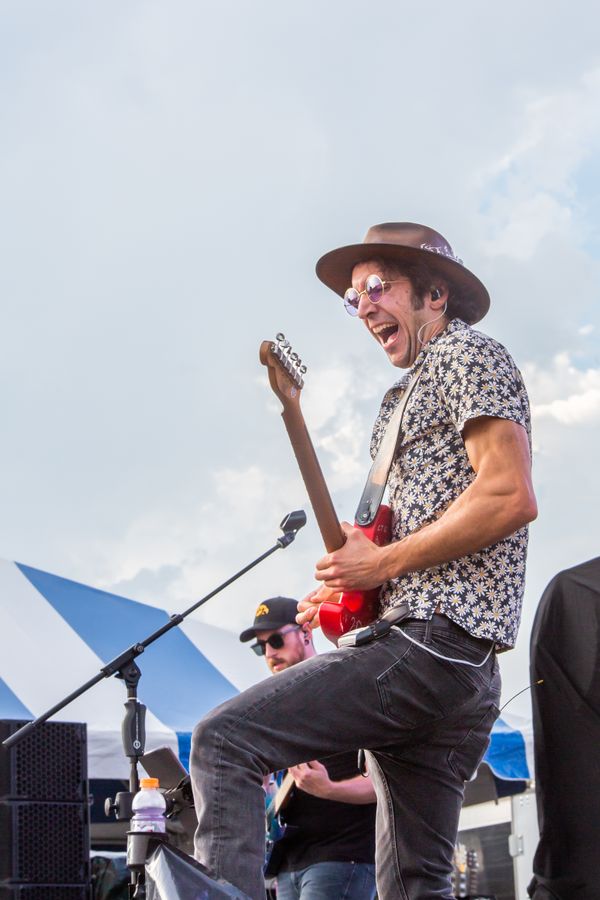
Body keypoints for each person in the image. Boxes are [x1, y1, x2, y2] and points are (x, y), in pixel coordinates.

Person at [190, 222, 538, 899]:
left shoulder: (466, 353)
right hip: (455, 670)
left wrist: (379, 567)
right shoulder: (399, 400)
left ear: (435, 294)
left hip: (428, 647)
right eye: (353, 298)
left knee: (222, 741)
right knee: (412, 884)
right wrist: (353, 581)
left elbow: (508, 494)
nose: (363, 307)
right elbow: (400, 543)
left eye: (377, 287)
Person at [238, 595, 377, 899]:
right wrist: (266, 791)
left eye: (276, 640)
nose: (269, 652)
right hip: (290, 861)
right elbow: (276, 795)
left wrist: (329, 789)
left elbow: (385, 783)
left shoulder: (341, 686)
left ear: (305, 632)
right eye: (261, 647)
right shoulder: (279, 710)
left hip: (342, 855)